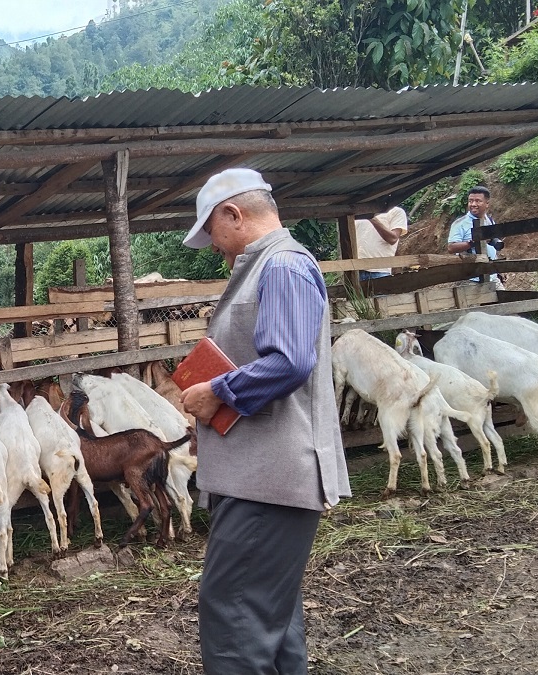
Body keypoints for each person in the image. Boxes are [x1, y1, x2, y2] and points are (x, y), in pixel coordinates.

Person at [176, 168, 351, 675]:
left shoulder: (283, 266)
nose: (213, 245)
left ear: (233, 213)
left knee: (234, 612)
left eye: (211, 230)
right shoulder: (266, 266)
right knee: (269, 615)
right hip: (260, 477)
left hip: (269, 481)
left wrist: (217, 391)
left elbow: (290, 360)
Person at [446, 185, 505, 287]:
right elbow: (451, 248)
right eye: (470, 201)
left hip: (492, 277)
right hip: (470, 279)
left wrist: (498, 269)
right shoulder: (460, 223)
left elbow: (491, 247)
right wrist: (471, 243)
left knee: (505, 302)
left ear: (487, 204)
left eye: (478, 201)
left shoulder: (490, 220)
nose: (473, 204)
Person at [353, 206, 409, 281]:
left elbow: (393, 238)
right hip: (356, 270)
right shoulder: (358, 213)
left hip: (380, 270)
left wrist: (372, 218)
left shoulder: (396, 211)